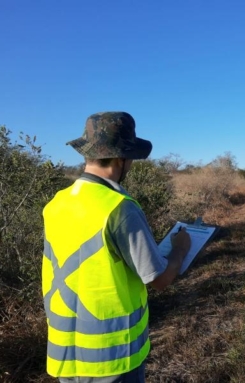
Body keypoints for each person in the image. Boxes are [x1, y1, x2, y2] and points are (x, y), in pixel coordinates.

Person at [42, 111, 191, 382]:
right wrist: (181, 248)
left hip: (65, 356)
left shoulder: (57, 203)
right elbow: (159, 279)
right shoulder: (120, 208)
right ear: (122, 158)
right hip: (114, 361)